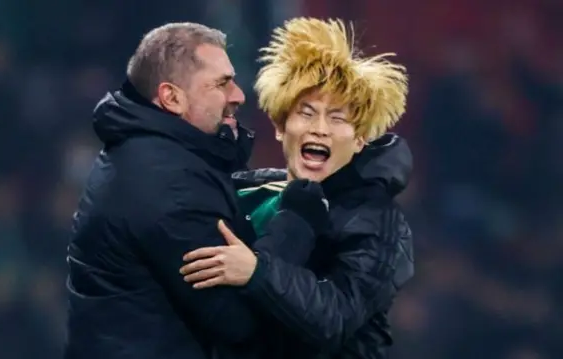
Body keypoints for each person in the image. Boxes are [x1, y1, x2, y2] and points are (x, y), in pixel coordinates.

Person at [64, 22, 330, 359]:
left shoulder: (150, 155)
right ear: (172, 97)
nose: (239, 95)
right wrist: (297, 218)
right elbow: (241, 319)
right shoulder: (168, 186)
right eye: (221, 84)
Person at [180, 18, 414, 358]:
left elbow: (336, 318)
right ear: (280, 126)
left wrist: (257, 272)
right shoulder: (243, 192)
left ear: (361, 139)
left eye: (338, 118)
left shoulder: (375, 219)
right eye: (306, 113)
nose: (320, 129)